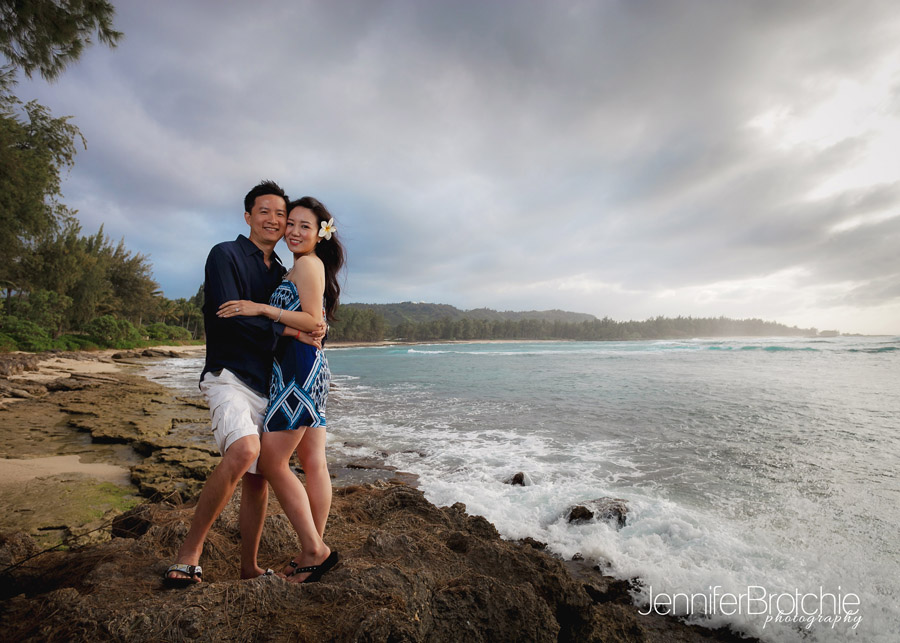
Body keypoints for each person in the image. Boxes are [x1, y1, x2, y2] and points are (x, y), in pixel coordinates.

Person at [164, 181, 325, 588]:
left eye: (281, 215)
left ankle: (248, 567)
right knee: (245, 451)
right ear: (248, 216)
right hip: (228, 374)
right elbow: (230, 317)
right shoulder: (226, 254)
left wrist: (305, 328)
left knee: (257, 478)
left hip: (267, 383)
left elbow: (301, 314)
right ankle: (189, 553)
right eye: (265, 212)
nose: (274, 221)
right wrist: (289, 333)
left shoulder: (282, 271)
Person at [218, 195, 344, 583]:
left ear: (320, 234)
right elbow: (313, 320)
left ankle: (314, 550)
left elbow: (308, 320)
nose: (293, 231)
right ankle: (311, 551)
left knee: (273, 463)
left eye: (304, 226)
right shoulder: (302, 267)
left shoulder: (308, 264)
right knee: (313, 463)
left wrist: (261, 308)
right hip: (306, 369)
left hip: (296, 373)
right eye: (291, 224)